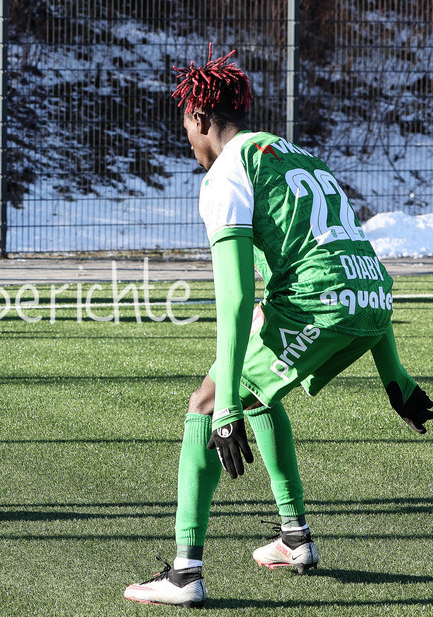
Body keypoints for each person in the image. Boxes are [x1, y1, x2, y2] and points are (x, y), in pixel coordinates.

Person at [124, 47, 432, 607]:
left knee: (206, 401)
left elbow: (238, 298)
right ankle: (295, 539)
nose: (189, 143)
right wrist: (397, 379)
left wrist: (224, 409)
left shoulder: (225, 174)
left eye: (187, 129)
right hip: (370, 298)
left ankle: (185, 573)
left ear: (198, 119)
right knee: (259, 393)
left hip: (319, 301)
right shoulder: (295, 155)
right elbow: (351, 252)